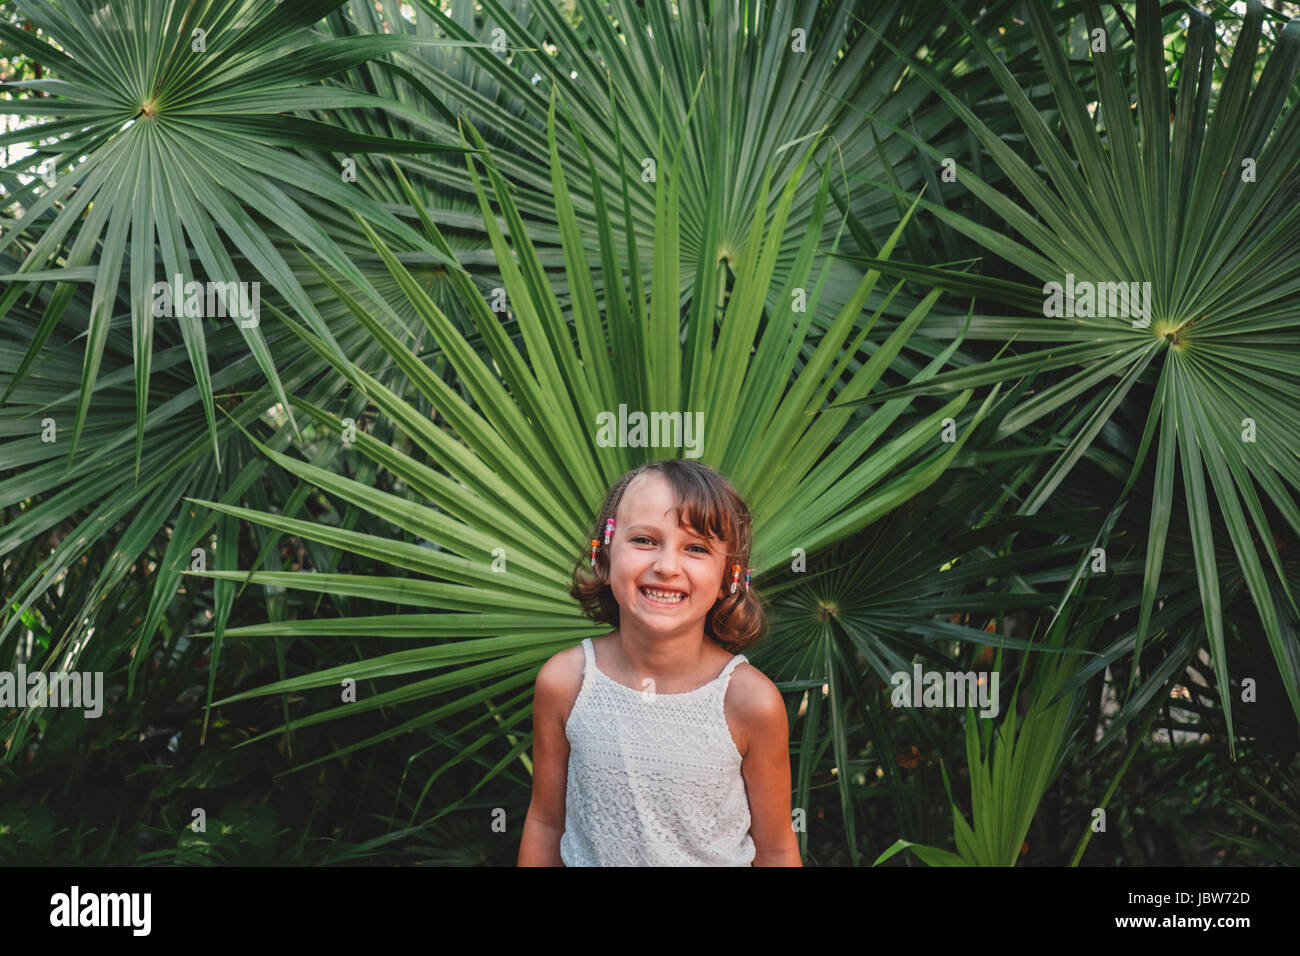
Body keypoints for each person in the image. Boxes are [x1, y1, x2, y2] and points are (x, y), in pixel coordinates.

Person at [517, 459, 801, 866]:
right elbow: (546, 821)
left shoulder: (749, 701)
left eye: (696, 548)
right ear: (604, 554)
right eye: (645, 540)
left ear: (730, 577)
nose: (667, 566)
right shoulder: (566, 682)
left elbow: (775, 848)